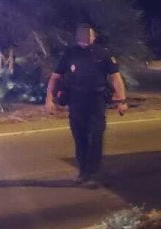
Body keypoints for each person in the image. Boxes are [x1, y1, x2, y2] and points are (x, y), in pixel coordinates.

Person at [45, 24, 129, 185]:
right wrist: (49, 99)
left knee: (96, 136)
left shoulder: (102, 54)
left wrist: (122, 101)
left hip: (96, 101)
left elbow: (115, 78)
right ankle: (83, 172)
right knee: (79, 138)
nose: (85, 39)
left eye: (88, 36)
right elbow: (56, 77)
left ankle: (93, 173)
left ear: (93, 37)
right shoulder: (70, 53)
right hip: (76, 101)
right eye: (82, 36)